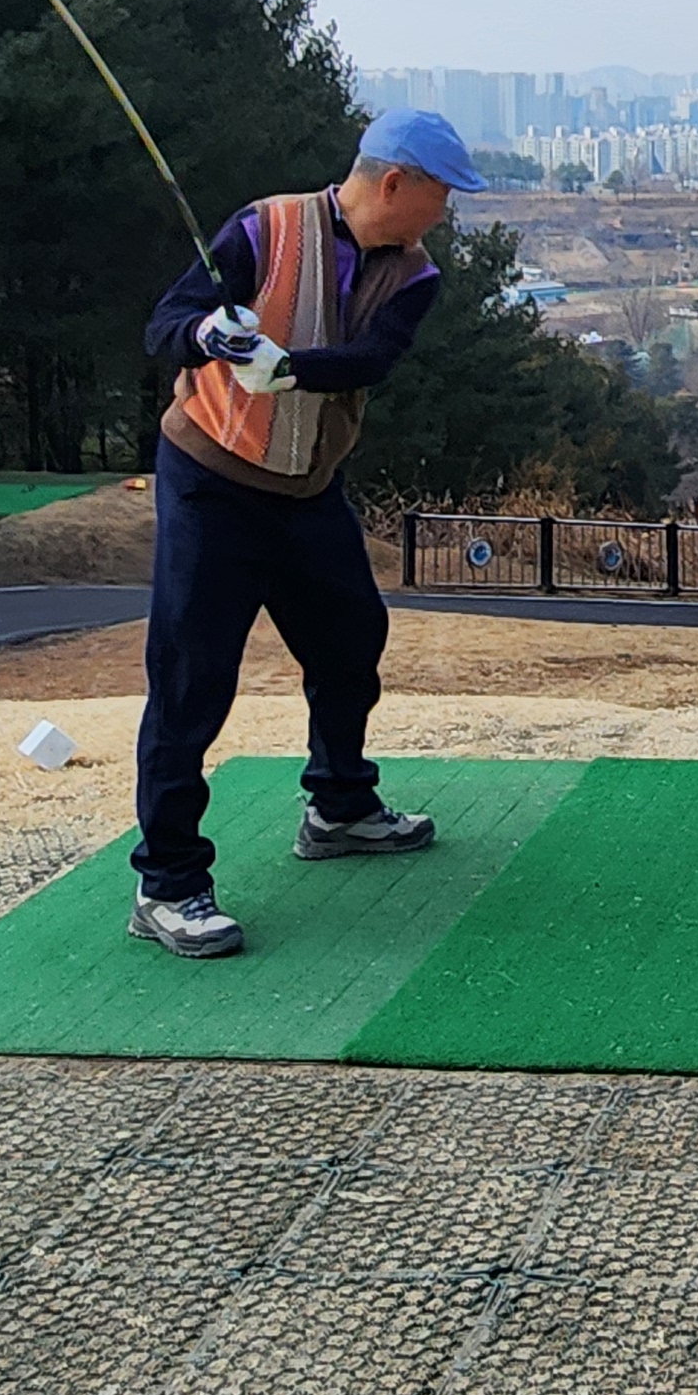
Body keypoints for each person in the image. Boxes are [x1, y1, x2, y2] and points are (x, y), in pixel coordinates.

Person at [121, 109, 488, 958]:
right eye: (440, 195)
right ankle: (167, 883)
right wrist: (208, 334)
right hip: (211, 481)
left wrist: (287, 369)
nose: (444, 214)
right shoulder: (264, 228)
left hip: (307, 486)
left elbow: (372, 360)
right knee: (190, 679)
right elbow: (165, 323)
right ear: (394, 183)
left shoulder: (416, 274)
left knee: (351, 640)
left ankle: (339, 806)